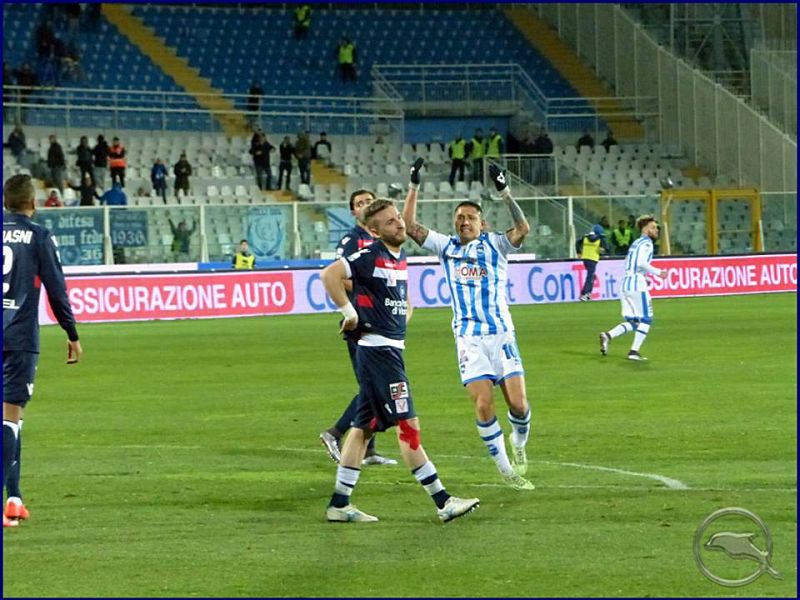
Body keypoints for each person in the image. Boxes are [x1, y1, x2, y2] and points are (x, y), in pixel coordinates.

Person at [320, 198, 480, 523]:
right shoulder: (369, 255)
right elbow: (329, 276)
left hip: (388, 350)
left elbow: (398, 297)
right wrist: (349, 313)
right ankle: (443, 501)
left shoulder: (399, 255)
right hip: (379, 355)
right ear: (375, 230)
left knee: (361, 428)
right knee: (408, 426)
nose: (400, 224)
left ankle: (339, 503)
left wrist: (403, 314)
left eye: (398, 218)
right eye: (391, 222)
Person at [403, 158, 535, 491]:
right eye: (459, 217)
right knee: (483, 403)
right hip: (469, 339)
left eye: (470, 217)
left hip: (501, 333)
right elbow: (409, 225)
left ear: (482, 223)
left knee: (518, 404)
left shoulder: (495, 245)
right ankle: (506, 470)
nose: (464, 221)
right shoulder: (446, 247)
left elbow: (522, 230)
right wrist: (414, 185)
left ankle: (519, 441)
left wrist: (505, 191)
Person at [3, 174, 83, 528]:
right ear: (32, 204)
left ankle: (14, 498)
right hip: (17, 338)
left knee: (12, 422)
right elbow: (56, 287)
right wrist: (71, 331)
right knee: (10, 418)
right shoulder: (38, 236)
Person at [319, 189, 397, 467]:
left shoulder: (377, 238)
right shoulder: (352, 240)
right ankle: (334, 432)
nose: (365, 205)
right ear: (353, 212)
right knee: (373, 385)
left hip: (378, 320)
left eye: (368, 201)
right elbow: (342, 277)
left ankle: (369, 449)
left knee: (372, 385)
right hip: (360, 322)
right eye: (359, 203)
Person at [599, 216, 668, 361]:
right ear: (645, 229)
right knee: (646, 319)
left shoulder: (636, 243)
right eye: (653, 227)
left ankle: (608, 335)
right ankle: (633, 352)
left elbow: (629, 262)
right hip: (637, 285)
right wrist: (658, 272)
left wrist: (645, 276)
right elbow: (641, 262)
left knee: (635, 322)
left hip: (626, 284)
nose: (656, 230)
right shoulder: (647, 243)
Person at [576, 224, 609, 302]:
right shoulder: (600, 239)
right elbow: (606, 249)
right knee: (590, 277)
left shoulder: (585, 237)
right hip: (593, 259)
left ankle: (587, 294)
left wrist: (579, 252)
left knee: (592, 276)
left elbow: (577, 243)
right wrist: (602, 252)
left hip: (585, 259)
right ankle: (585, 294)